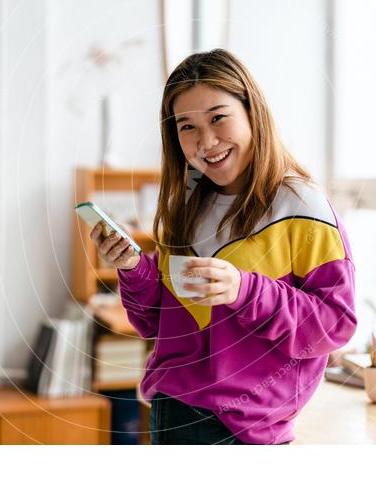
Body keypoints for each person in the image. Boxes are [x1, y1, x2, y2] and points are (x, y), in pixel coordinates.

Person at [90, 49, 357, 445]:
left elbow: (334, 325)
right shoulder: (189, 205)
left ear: (252, 112)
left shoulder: (299, 204)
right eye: (187, 127)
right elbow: (156, 323)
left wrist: (245, 291)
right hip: (170, 411)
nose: (206, 141)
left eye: (218, 118)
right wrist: (133, 268)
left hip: (240, 430)